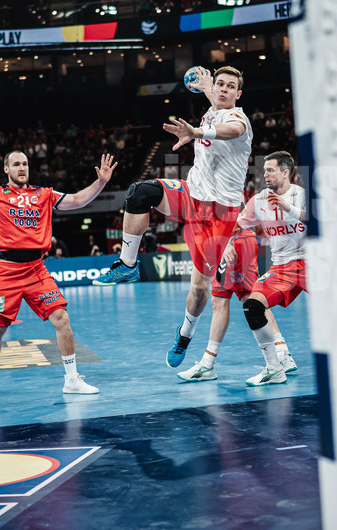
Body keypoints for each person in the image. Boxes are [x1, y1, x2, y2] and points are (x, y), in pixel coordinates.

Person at [92, 66, 253, 371]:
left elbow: (232, 130)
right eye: (220, 84)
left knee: (199, 289)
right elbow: (215, 100)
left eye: (230, 86)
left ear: (238, 94)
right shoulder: (214, 107)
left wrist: (196, 132)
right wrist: (205, 86)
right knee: (139, 193)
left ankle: (185, 334)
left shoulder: (239, 119)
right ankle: (128, 264)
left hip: (219, 213)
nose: (223, 89)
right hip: (192, 195)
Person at [0, 146, 117, 397]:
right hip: (7, 271)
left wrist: (101, 182)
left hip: (37, 269)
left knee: (62, 318)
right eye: (16, 164)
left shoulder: (44, 194)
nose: (22, 168)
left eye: (25, 164)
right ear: (6, 169)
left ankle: (72, 379)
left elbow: (77, 200)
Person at [227, 151, 306, 386]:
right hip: (281, 267)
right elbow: (235, 227)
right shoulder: (258, 201)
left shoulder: (301, 195)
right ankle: (274, 368)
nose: (265, 175)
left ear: (285, 172)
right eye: (264, 171)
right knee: (252, 306)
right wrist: (227, 245)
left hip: (312, 261)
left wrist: (288, 207)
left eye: (270, 170)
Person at [176, 226, 291, 382]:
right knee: (249, 299)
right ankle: (282, 352)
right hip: (239, 238)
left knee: (223, 300)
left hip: (232, 239)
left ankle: (207, 364)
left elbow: (224, 213)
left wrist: (225, 243)